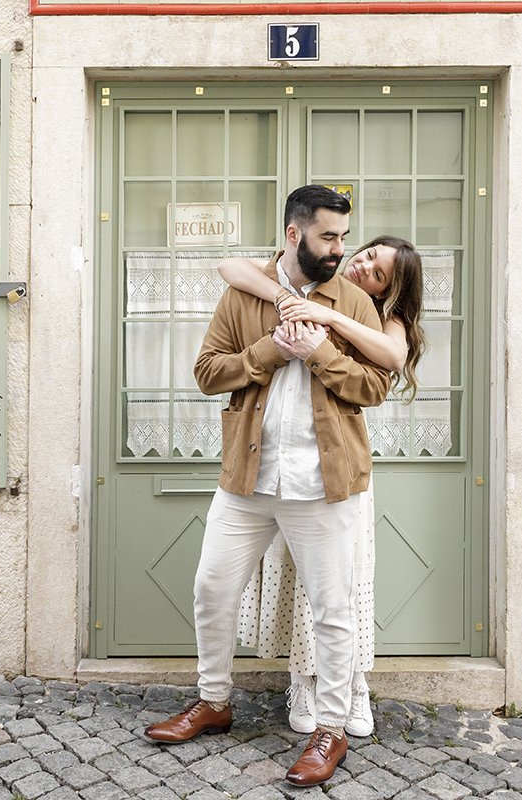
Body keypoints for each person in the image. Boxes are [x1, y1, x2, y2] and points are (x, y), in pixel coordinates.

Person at [143, 185, 393, 788]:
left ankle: (329, 728)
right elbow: (207, 372)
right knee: (211, 587)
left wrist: (317, 354)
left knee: (332, 610)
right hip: (247, 478)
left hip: (325, 483)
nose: (339, 250)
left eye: (343, 238)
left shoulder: (354, 303)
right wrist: (268, 352)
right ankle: (214, 701)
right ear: (293, 234)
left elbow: (375, 387)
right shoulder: (244, 294)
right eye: (327, 237)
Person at [218, 235, 426, 738]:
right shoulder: (314, 285)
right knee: (297, 582)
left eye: (378, 273)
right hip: (279, 470)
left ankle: (354, 685)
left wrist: (330, 320)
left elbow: (391, 361)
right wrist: (288, 298)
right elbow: (230, 266)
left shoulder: (381, 319)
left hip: (338, 469)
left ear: (390, 289)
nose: (364, 268)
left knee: (342, 588)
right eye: (368, 254)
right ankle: (301, 682)